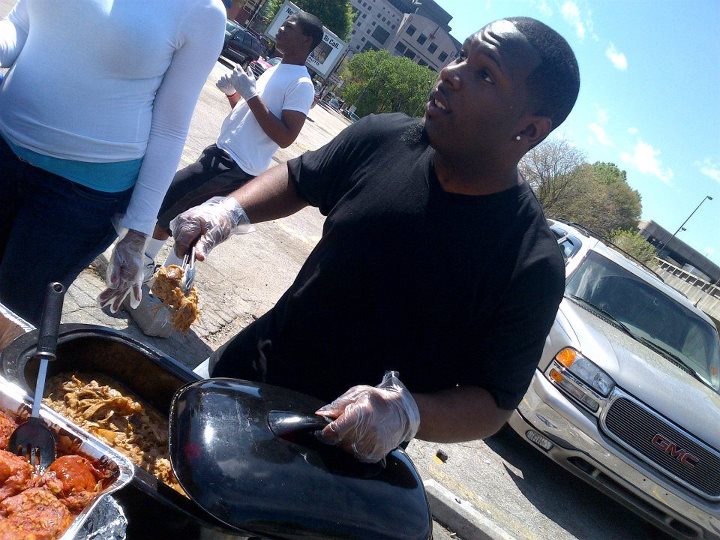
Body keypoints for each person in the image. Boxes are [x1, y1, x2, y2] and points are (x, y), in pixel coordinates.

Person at [172, 17, 580, 463]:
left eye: (485, 73)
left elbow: (493, 401)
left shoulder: (530, 261)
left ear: (530, 129)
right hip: (240, 373)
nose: (450, 73)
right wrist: (228, 210)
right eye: (461, 55)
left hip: (340, 451)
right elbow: (299, 178)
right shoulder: (386, 138)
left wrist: (406, 412)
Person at [0, 0, 226, 325]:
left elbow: (170, 129)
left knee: (14, 311)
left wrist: (137, 232)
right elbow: (20, 26)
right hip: (3, 144)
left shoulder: (202, 11)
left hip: (79, 198)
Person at [128, 11, 323, 337]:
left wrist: (251, 94)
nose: (281, 28)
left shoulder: (301, 85)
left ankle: (150, 275)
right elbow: (251, 118)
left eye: (289, 27)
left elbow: (285, 137)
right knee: (185, 218)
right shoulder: (276, 68)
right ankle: (161, 287)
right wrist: (234, 94)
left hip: (237, 166)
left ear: (306, 40)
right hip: (221, 153)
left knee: (172, 201)